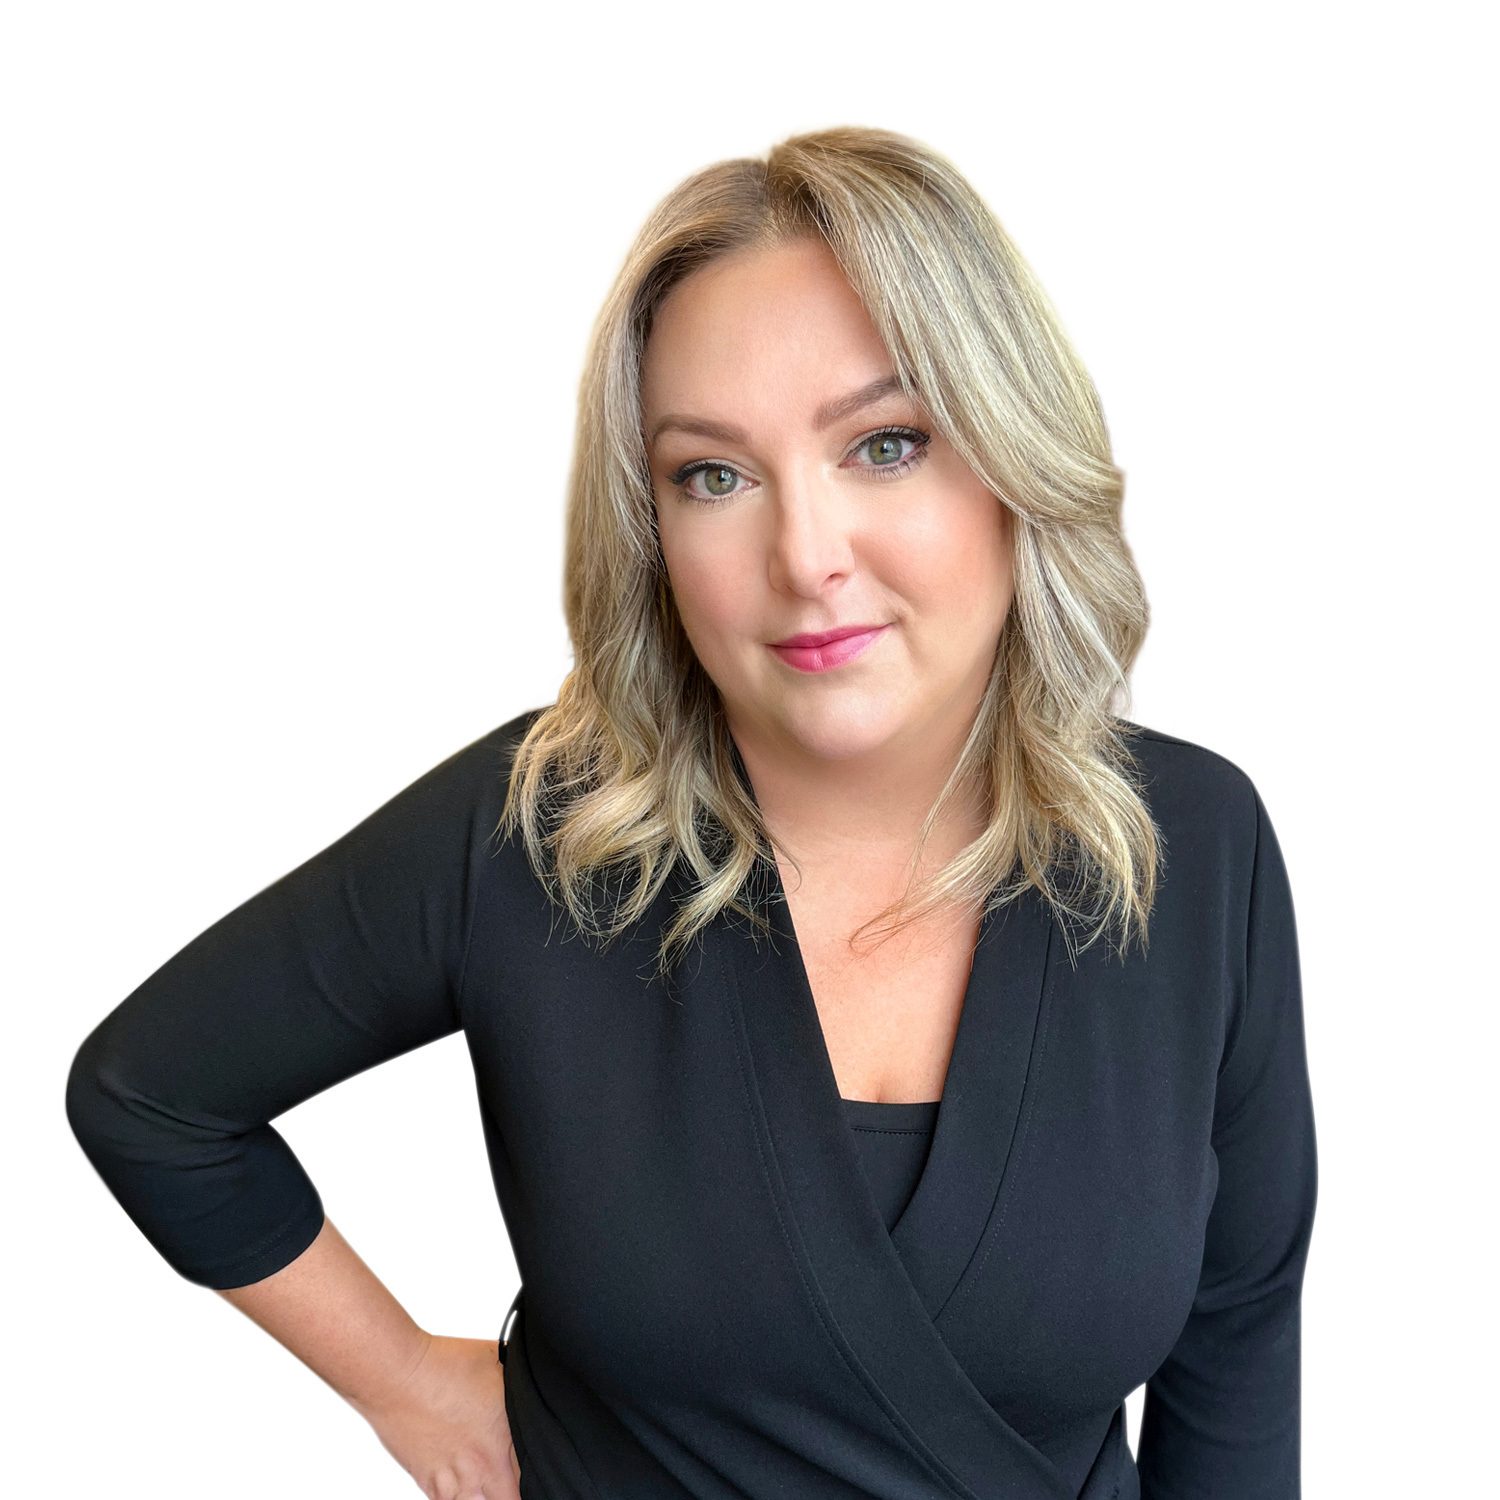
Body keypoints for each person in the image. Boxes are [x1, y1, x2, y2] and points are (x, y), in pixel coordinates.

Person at [66, 124, 1318, 1499]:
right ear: (650, 530)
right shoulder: (538, 832)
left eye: (886, 444)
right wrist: (405, 1383)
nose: (805, 557)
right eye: (712, 476)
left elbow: (1237, 1338)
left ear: (1016, 461)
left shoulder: (1194, 844)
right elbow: (151, 1096)